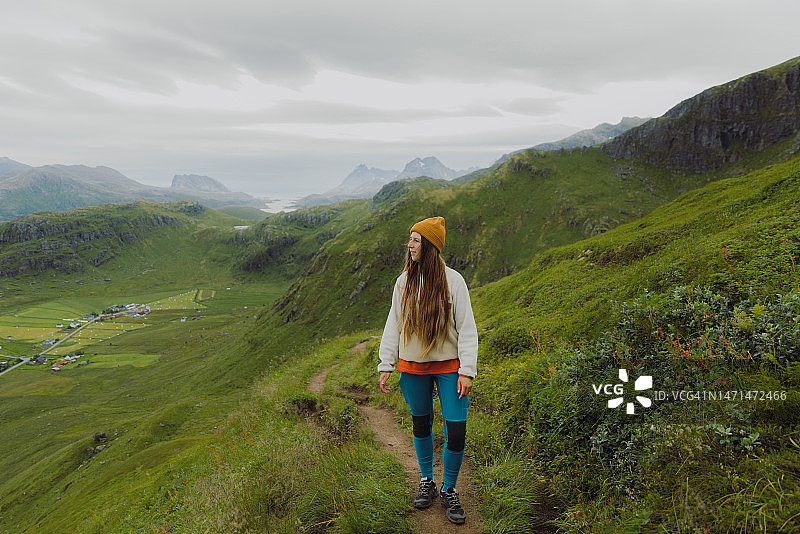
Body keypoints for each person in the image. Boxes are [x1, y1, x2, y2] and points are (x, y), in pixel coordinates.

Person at [377, 216, 478, 525]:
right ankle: (426, 481)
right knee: (421, 424)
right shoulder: (403, 283)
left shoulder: (454, 281)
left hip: (451, 368)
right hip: (413, 368)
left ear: (431, 246)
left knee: (456, 431)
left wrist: (467, 371)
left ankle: (449, 489)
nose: (410, 245)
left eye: (416, 240)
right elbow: (394, 323)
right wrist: (386, 363)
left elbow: (468, 329)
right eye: (410, 239)